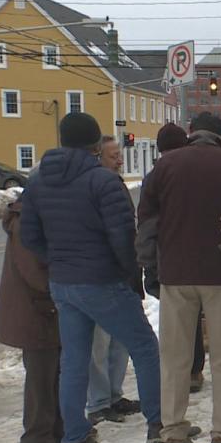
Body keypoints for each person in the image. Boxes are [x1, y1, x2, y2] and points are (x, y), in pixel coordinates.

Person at [20, 112, 162, 443]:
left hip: (63, 283)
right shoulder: (102, 181)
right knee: (144, 346)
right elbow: (121, 238)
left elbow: (30, 237)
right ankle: (160, 425)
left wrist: (59, 259)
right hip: (101, 280)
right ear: (96, 144)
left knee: (74, 361)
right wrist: (127, 274)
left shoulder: (37, 182)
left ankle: (76, 438)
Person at [137, 112, 221, 443]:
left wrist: (151, 267)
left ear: (191, 135)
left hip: (175, 274)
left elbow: (146, 224)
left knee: (174, 357)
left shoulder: (163, 167)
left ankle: (172, 436)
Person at [0, 189, 63, 443]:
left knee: (51, 375)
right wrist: (57, 294)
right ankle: (36, 439)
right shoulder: (25, 224)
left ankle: (54, 430)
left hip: (40, 312)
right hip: (34, 313)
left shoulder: (30, 218)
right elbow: (35, 273)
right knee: (41, 380)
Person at [140, 123, 208, 394]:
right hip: (202, 260)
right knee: (195, 319)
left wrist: (148, 266)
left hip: (168, 261)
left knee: (176, 325)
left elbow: (147, 224)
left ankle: (177, 377)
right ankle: (194, 371)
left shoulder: (155, 177)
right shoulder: (197, 173)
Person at [86, 136, 141, 425]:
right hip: (99, 275)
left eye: (119, 154)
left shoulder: (116, 184)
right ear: (98, 158)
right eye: (113, 156)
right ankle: (97, 402)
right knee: (98, 342)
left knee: (120, 340)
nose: (119, 160)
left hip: (122, 275)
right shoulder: (91, 187)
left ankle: (115, 395)